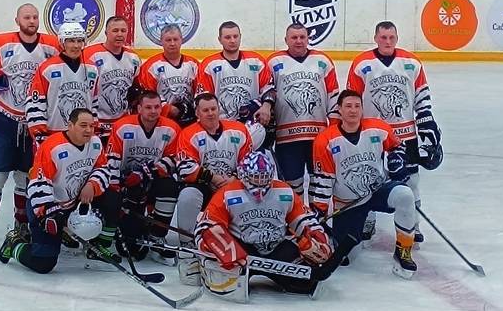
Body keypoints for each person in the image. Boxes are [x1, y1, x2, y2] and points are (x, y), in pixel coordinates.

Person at [195, 149, 346, 296]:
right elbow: (205, 228)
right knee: (226, 284)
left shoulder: (284, 191)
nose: (261, 183)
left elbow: (304, 219)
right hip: (242, 251)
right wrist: (224, 249)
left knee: (304, 283)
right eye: (256, 177)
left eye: (264, 177)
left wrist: (317, 237)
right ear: (243, 175)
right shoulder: (228, 194)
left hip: (276, 247)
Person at [0, 2, 58, 244]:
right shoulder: (0, 43)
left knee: (25, 178)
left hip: (34, 123)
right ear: (17, 20)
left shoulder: (52, 45)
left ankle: (22, 226)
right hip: (4, 121)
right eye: (26, 17)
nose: (31, 21)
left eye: (35, 17)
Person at [347, 19, 442, 242]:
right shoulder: (362, 63)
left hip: (406, 135)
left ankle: (413, 224)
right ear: (376, 38)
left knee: (412, 181)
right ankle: (367, 220)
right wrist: (354, 129)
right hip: (373, 135)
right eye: (383, 37)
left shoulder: (411, 62)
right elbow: (353, 99)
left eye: (391, 37)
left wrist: (426, 124)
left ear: (397, 38)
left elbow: (422, 96)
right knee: (369, 178)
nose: (387, 41)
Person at [310, 90, 418, 278]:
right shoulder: (325, 141)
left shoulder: (378, 129)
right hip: (348, 204)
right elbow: (324, 180)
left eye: (357, 106)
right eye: (348, 106)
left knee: (405, 195)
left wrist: (397, 159)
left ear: (362, 109)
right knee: (347, 258)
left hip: (377, 190)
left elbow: (398, 146)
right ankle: (364, 223)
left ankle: (403, 252)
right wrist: (318, 210)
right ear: (339, 110)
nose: (353, 110)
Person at [0, 107, 118, 274]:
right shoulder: (52, 147)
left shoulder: (96, 143)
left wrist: (92, 184)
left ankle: (98, 246)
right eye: (83, 125)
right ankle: (14, 244)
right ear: (70, 125)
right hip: (47, 206)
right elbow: (37, 183)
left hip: (75, 201)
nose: (89, 130)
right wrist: (49, 212)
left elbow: (103, 169)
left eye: (92, 126)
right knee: (43, 263)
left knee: (113, 198)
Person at [168, 92, 255, 247]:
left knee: (254, 191)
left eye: (213, 109)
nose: (210, 113)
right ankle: (187, 242)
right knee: (188, 195)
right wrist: (213, 178)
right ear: (197, 113)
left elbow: (250, 162)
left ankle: (246, 239)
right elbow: (185, 169)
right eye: (205, 110)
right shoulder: (188, 134)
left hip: (232, 184)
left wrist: (234, 178)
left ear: (218, 109)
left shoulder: (239, 130)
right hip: (203, 185)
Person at [266, 23, 339, 194]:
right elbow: (267, 94)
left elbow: (333, 95)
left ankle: (316, 212)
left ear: (308, 39)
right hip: (286, 138)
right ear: (286, 40)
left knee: (320, 184)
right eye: (294, 37)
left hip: (318, 137)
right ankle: (297, 212)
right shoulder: (273, 62)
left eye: (302, 37)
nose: (298, 41)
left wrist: (334, 130)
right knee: (292, 187)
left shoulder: (323, 61)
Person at [106, 90, 180, 254]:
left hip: (154, 179)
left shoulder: (171, 128)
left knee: (170, 187)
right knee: (130, 250)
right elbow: (112, 160)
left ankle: (157, 234)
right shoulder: (122, 126)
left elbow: (173, 159)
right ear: (139, 109)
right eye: (148, 107)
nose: (153, 111)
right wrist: (117, 188)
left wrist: (144, 173)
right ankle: (133, 226)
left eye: (157, 107)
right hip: (128, 183)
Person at [25, 21, 99, 142]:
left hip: (83, 135)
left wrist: (93, 127)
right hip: (53, 134)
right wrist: (40, 132)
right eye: (71, 41)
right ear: (62, 42)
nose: (76, 45)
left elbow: (94, 103)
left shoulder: (92, 68)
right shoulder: (47, 68)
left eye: (79, 41)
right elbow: (35, 102)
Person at [196, 21, 275, 128]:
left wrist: (266, 106)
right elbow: (203, 98)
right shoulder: (209, 65)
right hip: (222, 126)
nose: (232, 40)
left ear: (240, 37)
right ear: (219, 39)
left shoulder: (256, 61)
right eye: (227, 37)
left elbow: (269, 89)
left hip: (252, 125)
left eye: (235, 36)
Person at [85, 15, 141, 134]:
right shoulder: (90, 55)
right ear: (106, 33)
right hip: (96, 121)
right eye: (115, 30)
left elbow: (136, 88)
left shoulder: (133, 58)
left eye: (123, 31)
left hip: (122, 121)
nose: (119, 34)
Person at [138, 23, 197, 124]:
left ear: (181, 40)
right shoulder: (150, 66)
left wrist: (195, 108)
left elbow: (201, 91)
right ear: (161, 41)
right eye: (168, 40)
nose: (172, 43)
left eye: (175, 39)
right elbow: (147, 95)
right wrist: (169, 109)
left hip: (189, 118)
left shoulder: (193, 65)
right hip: (161, 120)